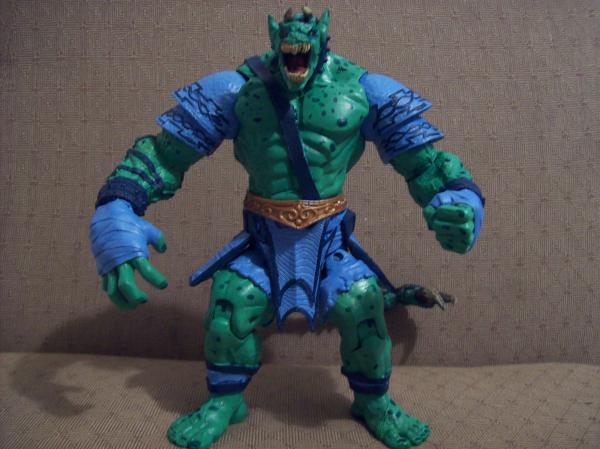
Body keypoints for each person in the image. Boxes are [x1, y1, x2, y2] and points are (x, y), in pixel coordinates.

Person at [90, 7, 484, 449]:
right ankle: (224, 401)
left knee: (362, 303)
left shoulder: (365, 90)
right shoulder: (235, 90)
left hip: (329, 243)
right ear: (274, 36)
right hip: (262, 242)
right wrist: (118, 204)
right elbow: (164, 155)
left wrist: (462, 203)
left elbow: (429, 165)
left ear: (324, 34)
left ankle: (374, 402)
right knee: (231, 305)